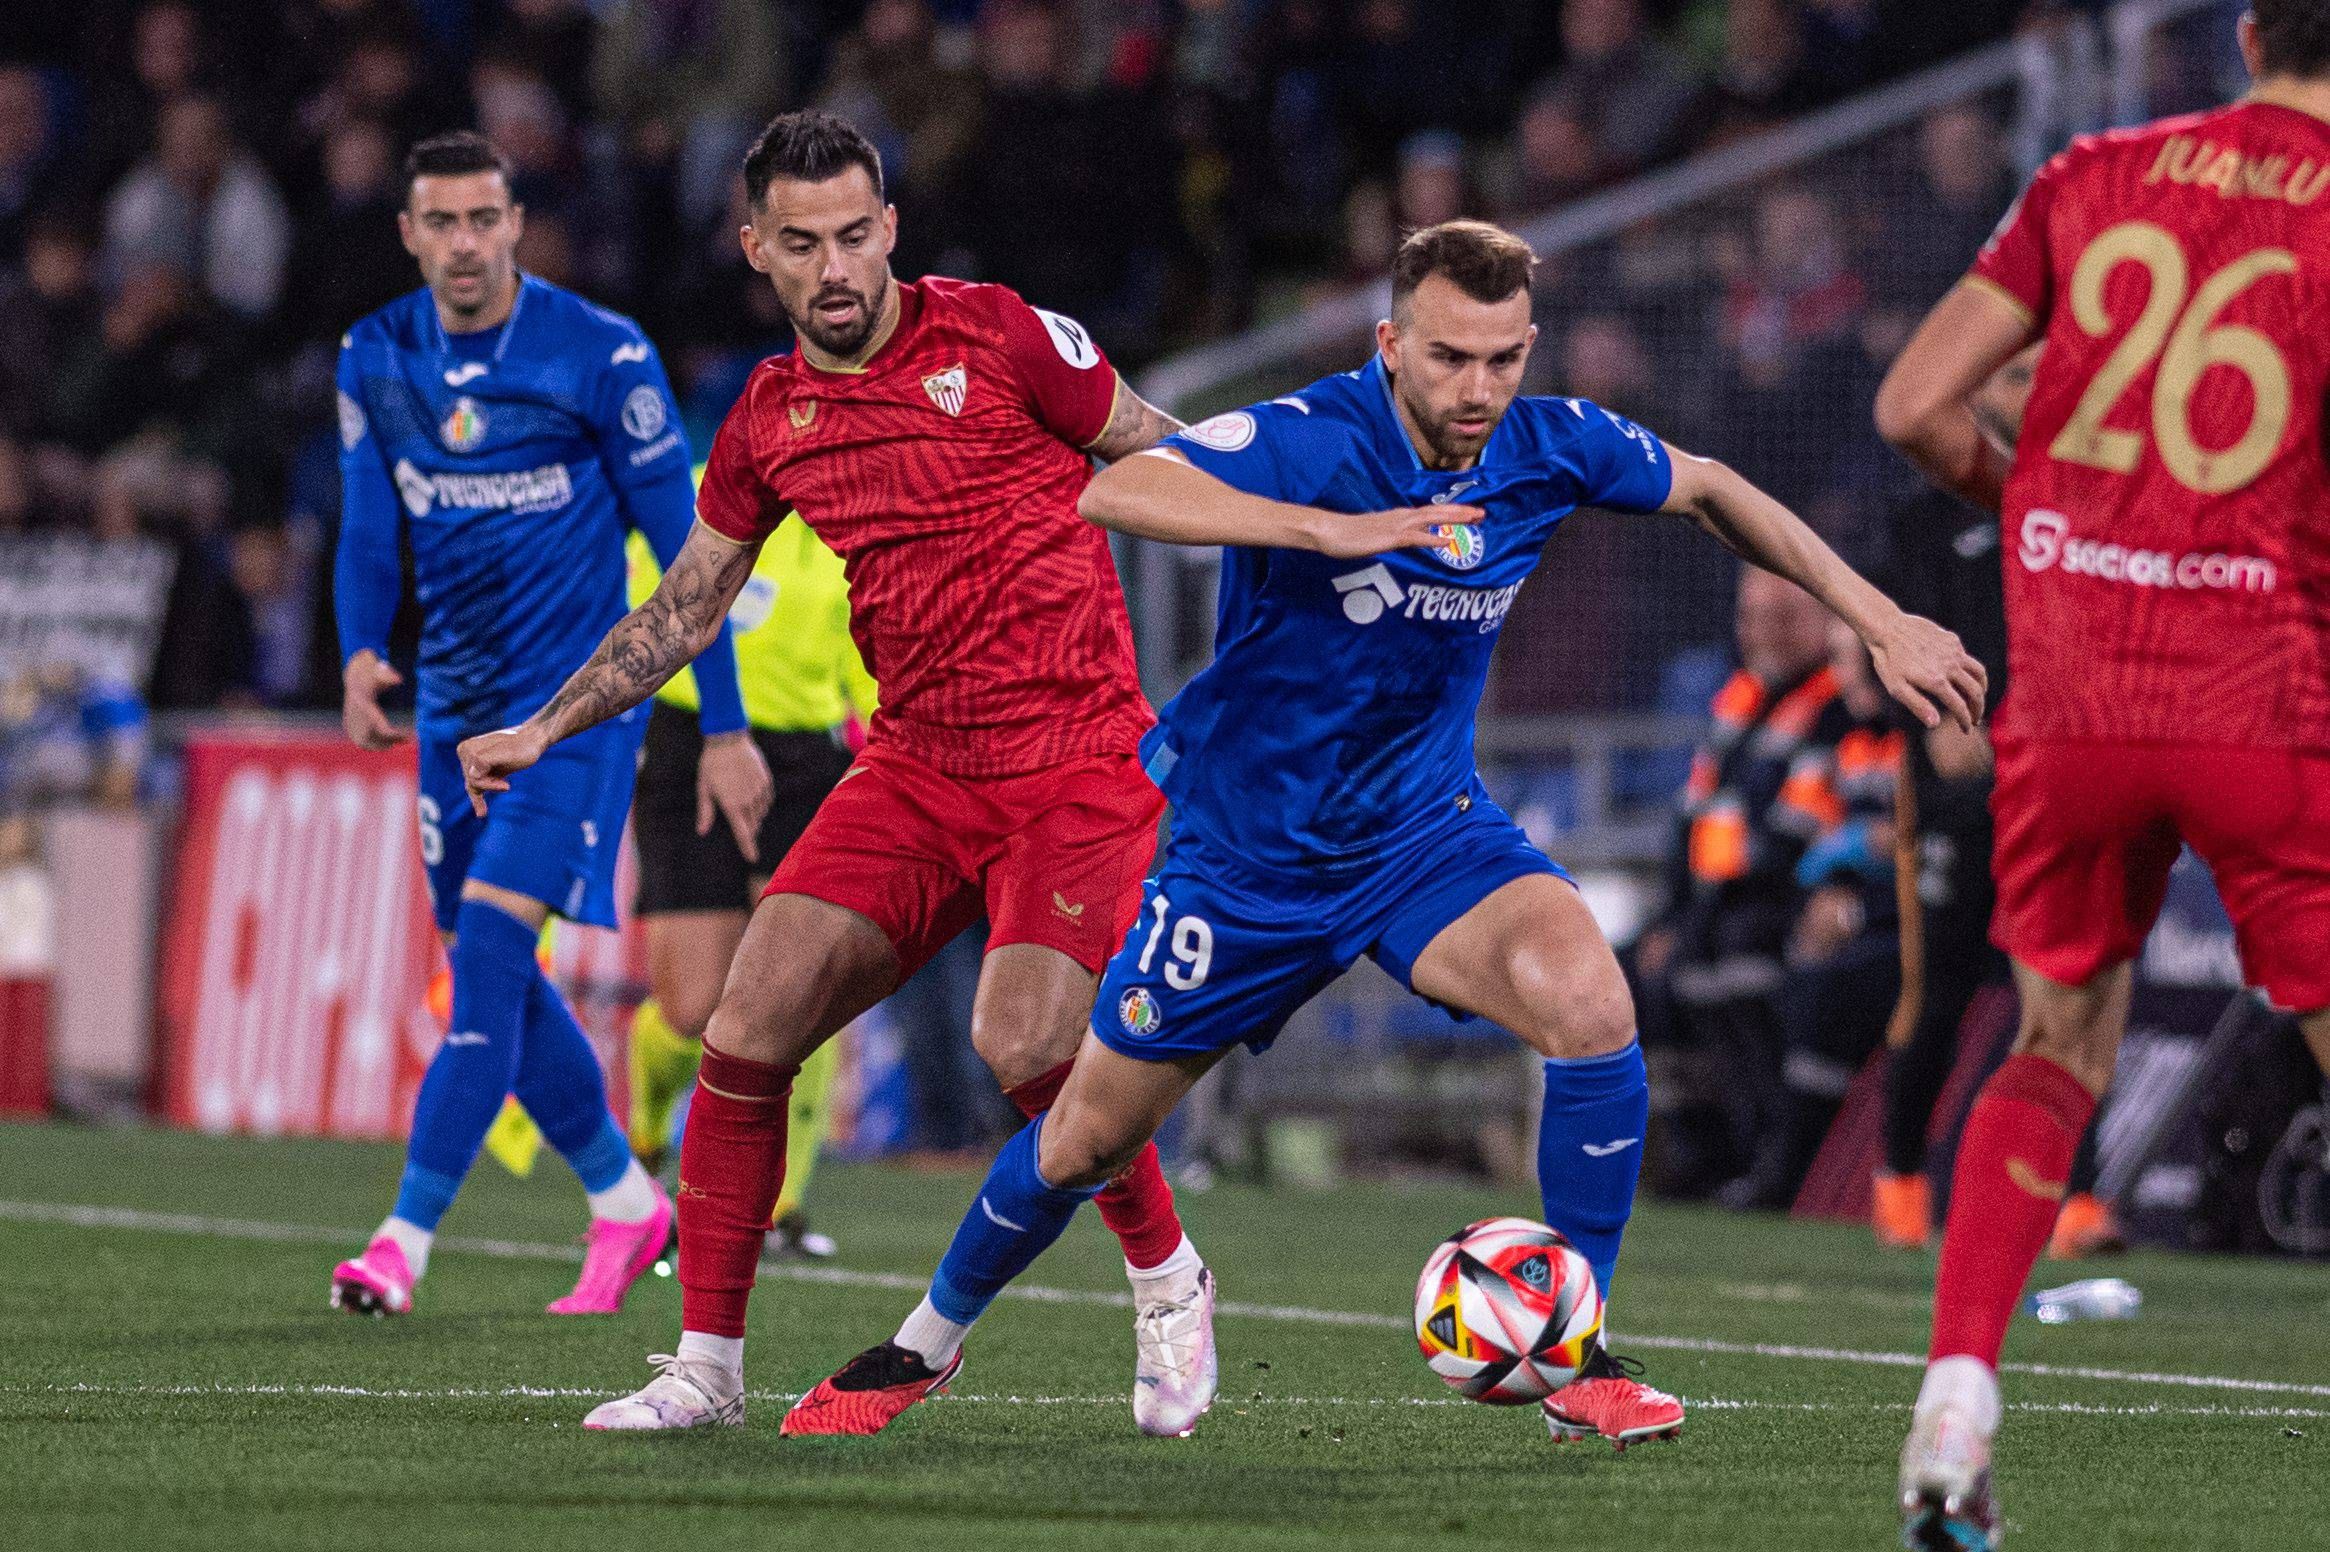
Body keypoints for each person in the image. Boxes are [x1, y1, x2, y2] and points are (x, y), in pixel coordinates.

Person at [778, 219, 1984, 1445]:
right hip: (1242, 866)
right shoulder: (1308, 436)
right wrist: (1322, 528)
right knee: (1082, 1133)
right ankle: (917, 1348)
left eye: (1503, 358)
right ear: (1388, 343)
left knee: (1590, 1002)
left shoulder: (1544, 445)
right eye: (1451, 358)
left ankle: (1572, 1353)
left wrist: (1880, 619)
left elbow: (1714, 488)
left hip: (1420, 841)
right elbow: (1116, 485)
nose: (1478, 389)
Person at [456, 110, 1208, 1437]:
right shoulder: (769, 417)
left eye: (855, 233)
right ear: (758, 250)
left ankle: (1165, 1278)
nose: (835, 266)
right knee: (739, 1030)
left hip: (1074, 754)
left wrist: (1314, 543)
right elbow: (685, 609)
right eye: (801, 244)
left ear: (890, 227)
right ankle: (706, 1369)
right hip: (916, 765)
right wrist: (540, 725)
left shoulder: (1003, 335)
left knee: (1023, 1040)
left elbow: (1164, 447)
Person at [1874, 6, 2330, 1544]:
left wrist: (2047, 519)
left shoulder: (2090, 171)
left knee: (2056, 1036)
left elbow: (1910, 406)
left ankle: (1953, 1395)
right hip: (2255, 680)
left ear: (2246, 33)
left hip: (2070, 686)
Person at [328, 131, 767, 1319]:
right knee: (501, 974)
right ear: (410, 233)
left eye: (485, 219)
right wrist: (364, 650)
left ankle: (402, 1240)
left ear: (516, 224)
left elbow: (695, 564)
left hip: (574, 717)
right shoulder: (373, 357)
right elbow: (372, 529)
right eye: (441, 222)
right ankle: (628, 1202)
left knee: (480, 958)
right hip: (450, 714)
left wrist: (722, 728)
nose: (465, 244)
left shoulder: (600, 355)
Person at [622, 480, 878, 1262]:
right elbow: (647, 622)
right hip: (690, 742)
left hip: (805, 763)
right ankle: (647, 1108)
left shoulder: (863, 509)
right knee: (695, 1006)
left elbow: (871, 664)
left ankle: (783, 1204)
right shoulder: (688, 493)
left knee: (803, 987)